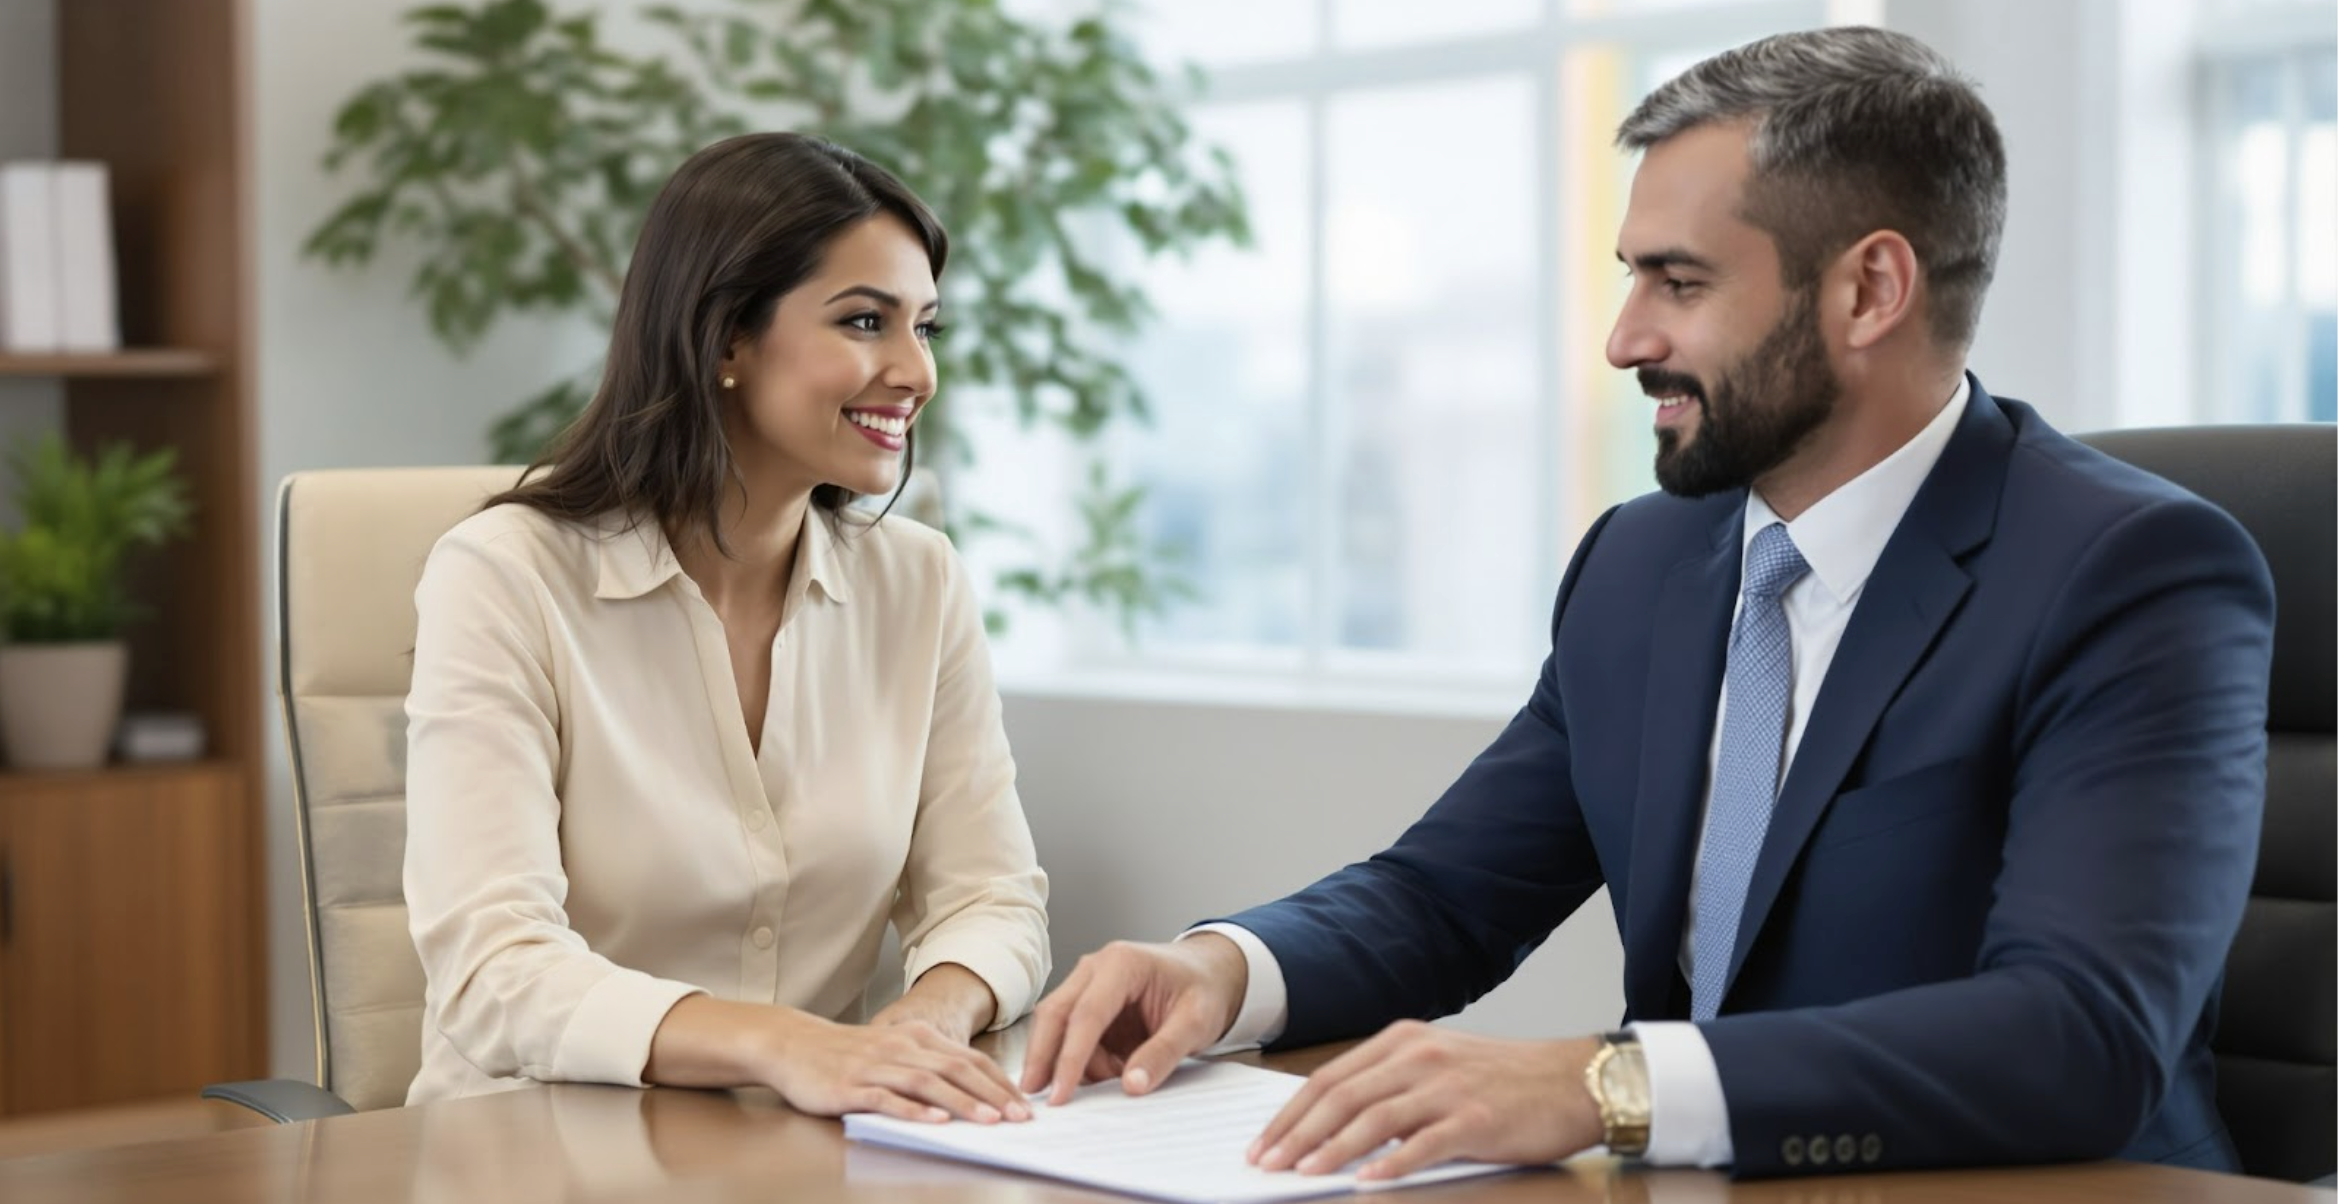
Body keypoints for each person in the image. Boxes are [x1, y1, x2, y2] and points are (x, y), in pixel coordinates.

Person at [1021, 27, 2275, 1180]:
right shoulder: (1641, 560)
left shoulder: (2132, 573)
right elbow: (1446, 895)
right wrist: (1220, 969)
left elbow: (2080, 1032)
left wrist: (1603, 1081)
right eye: (1630, 279)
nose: (1623, 339)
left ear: (1868, 291)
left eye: (1677, 283)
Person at [403, 133, 1047, 1126]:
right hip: (537, 1148)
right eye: (865, 321)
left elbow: (991, 897)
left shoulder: (919, 582)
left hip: (813, 1145)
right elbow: (494, 966)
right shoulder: (504, 576)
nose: (915, 371)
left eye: (925, 327)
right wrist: (786, 1044)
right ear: (725, 339)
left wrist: (923, 1024)